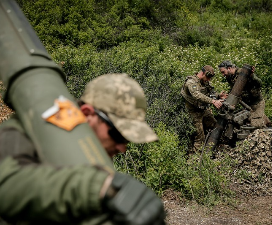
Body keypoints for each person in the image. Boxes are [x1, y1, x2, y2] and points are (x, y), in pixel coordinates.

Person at [0, 73, 165, 225]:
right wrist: (99, 186)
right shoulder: (26, 129)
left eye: (127, 139)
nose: (122, 148)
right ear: (87, 113)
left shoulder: (94, 151)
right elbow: (8, 187)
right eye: (118, 135)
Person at [181, 65, 224, 152]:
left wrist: (219, 96)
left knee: (215, 126)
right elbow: (197, 95)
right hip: (193, 113)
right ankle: (194, 161)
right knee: (199, 138)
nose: (208, 80)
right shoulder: (191, 82)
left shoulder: (204, 82)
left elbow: (208, 94)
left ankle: (212, 148)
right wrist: (213, 101)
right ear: (203, 73)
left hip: (203, 110)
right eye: (207, 77)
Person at [218, 60, 271, 128]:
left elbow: (259, 83)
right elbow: (235, 90)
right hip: (246, 105)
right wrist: (226, 97)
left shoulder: (242, 72)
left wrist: (252, 76)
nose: (223, 75)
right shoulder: (230, 77)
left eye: (223, 72)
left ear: (229, 68)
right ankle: (263, 121)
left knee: (255, 126)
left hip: (256, 103)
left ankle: (268, 133)